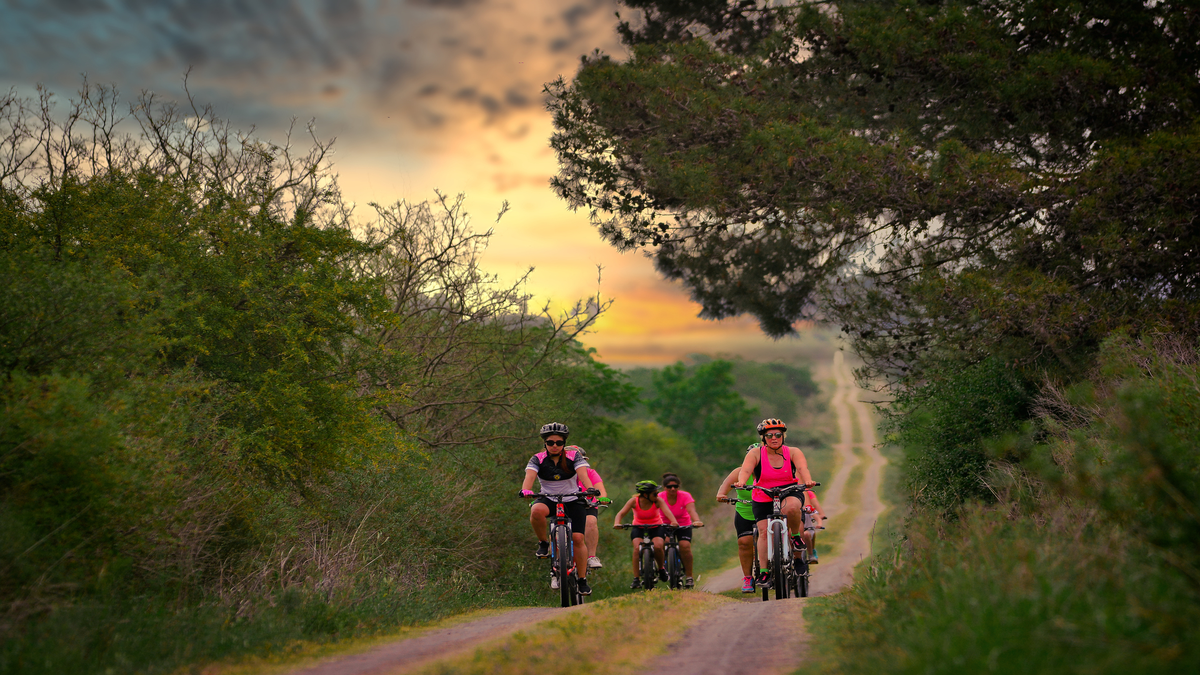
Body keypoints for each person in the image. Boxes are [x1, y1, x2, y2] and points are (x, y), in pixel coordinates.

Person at [734, 418, 816, 589]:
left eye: (778, 435)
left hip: (789, 490)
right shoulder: (755, 453)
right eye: (769, 435)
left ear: (783, 436)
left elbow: (802, 469)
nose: (774, 438)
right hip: (762, 493)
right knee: (763, 533)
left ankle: (795, 536)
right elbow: (746, 470)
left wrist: (808, 481)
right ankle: (764, 572)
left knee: (793, 507)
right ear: (763, 438)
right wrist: (742, 481)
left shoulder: (793, 452)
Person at [520, 422, 598, 595]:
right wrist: (526, 490)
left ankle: (582, 580)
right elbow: (530, 476)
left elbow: (583, 475)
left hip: (573, 499)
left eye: (559, 443)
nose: (554, 446)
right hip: (548, 498)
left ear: (564, 443)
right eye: (550, 442)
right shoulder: (537, 459)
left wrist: (590, 489)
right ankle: (543, 543)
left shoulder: (573, 457)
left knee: (578, 539)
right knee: (536, 510)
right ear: (545, 444)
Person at [613, 480, 680, 589]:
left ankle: (661, 568)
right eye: (654, 493)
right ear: (645, 494)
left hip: (656, 527)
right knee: (637, 549)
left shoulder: (658, 501)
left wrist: (673, 521)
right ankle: (636, 579)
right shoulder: (634, 501)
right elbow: (620, 513)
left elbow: (668, 512)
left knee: (658, 546)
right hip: (638, 527)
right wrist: (617, 523)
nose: (657, 495)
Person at [716, 463, 758, 592]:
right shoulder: (739, 472)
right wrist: (722, 494)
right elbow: (726, 485)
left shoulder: (772, 471)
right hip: (745, 511)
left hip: (766, 511)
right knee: (744, 542)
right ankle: (748, 578)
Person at [659, 472, 704, 588]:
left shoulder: (685, 496)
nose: (672, 489)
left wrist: (697, 520)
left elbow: (691, 510)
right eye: (669, 487)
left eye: (675, 486)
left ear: (679, 487)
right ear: (664, 488)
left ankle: (689, 577)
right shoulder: (659, 497)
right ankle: (662, 568)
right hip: (665, 525)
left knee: (685, 546)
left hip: (683, 524)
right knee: (663, 543)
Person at [574, 456, 610, 569]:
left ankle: (591, 556)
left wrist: (602, 498)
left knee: (591, 521)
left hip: (587, 505)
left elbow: (600, 489)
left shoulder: (590, 472)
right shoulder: (560, 472)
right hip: (566, 504)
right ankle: (556, 562)